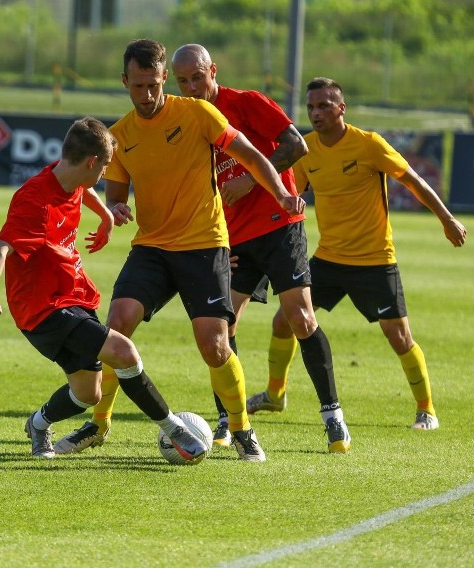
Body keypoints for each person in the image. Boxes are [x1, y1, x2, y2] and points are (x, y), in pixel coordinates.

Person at [55, 39, 306, 462]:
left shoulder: (198, 113)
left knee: (215, 345)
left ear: (164, 79)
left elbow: (252, 154)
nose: (147, 94)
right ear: (125, 82)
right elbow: (116, 191)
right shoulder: (119, 136)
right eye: (138, 86)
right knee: (116, 326)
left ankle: (243, 429)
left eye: (154, 84)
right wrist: (117, 208)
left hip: (204, 244)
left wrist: (281, 192)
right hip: (152, 247)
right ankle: (98, 424)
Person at [0, 116, 207, 461]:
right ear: (90, 162)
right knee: (124, 352)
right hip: (44, 309)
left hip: (73, 295)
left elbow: (82, 190)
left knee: (88, 393)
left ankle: (37, 426)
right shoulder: (34, 201)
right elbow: (0, 248)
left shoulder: (68, 175)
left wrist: (107, 217)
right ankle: (174, 429)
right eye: (106, 168)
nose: (105, 176)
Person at [250, 77, 467, 431]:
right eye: (311, 107)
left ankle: (426, 409)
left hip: (375, 261)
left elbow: (413, 180)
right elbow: (286, 193)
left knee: (398, 337)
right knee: (283, 321)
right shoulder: (306, 150)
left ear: (341, 108)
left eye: (323, 106)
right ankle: (275, 394)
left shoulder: (369, 145)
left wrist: (447, 219)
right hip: (328, 258)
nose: (316, 113)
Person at [170, 44, 351, 453]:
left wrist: (251, 180)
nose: (192, 86)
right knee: (220, 329)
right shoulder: (185, 120)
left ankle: (333, 417)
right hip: (232, 240)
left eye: (198, 77)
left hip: (279, 226)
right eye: (183, 81)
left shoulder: (247, 103)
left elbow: (296, 146)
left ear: (213, 70)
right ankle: (227, 421)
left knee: (301, 317)